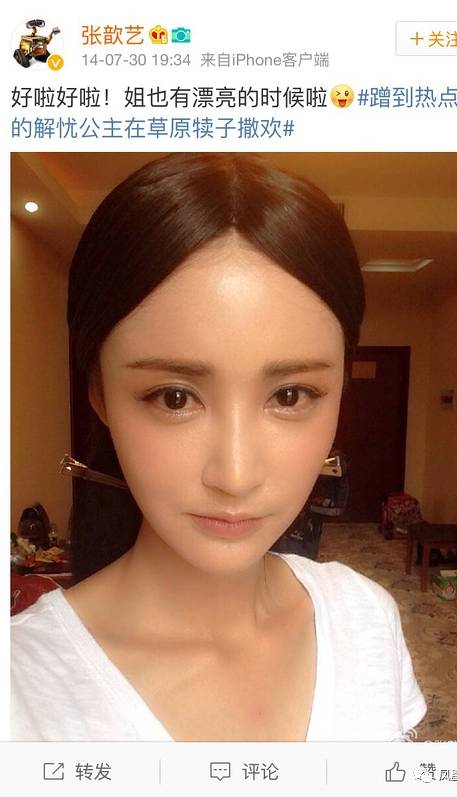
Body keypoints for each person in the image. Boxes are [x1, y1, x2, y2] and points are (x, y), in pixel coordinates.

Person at [11, 153, 427, 742]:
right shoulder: (22, 691)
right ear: (100, 394)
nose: (235, 475)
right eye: (175, 397)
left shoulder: (365, 618)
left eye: (290, 395)